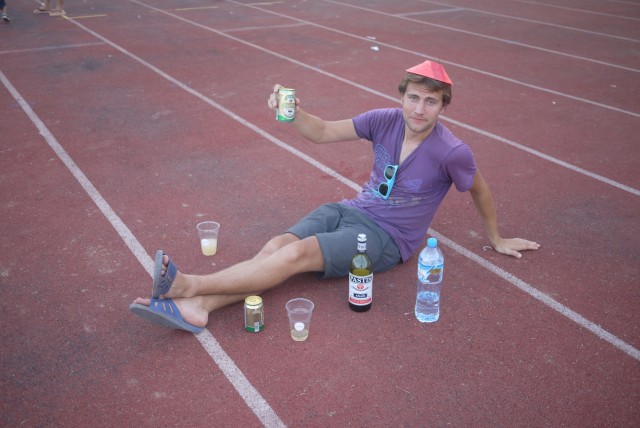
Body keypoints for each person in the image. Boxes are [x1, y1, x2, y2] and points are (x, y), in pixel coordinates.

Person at [129, 60, 540, 333]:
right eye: (413, 98)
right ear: (402, 97)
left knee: (293, 257)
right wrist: (293, 114)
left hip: (386, 238)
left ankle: (189, 286)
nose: (419, 109)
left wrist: (497, 237)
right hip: (351, 209)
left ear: (443, 107)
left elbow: (480, 190)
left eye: (430, 102)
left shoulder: (453, 152)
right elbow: (322, 131)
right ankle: (203, 308)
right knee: (276, 246)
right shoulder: (383, 120)